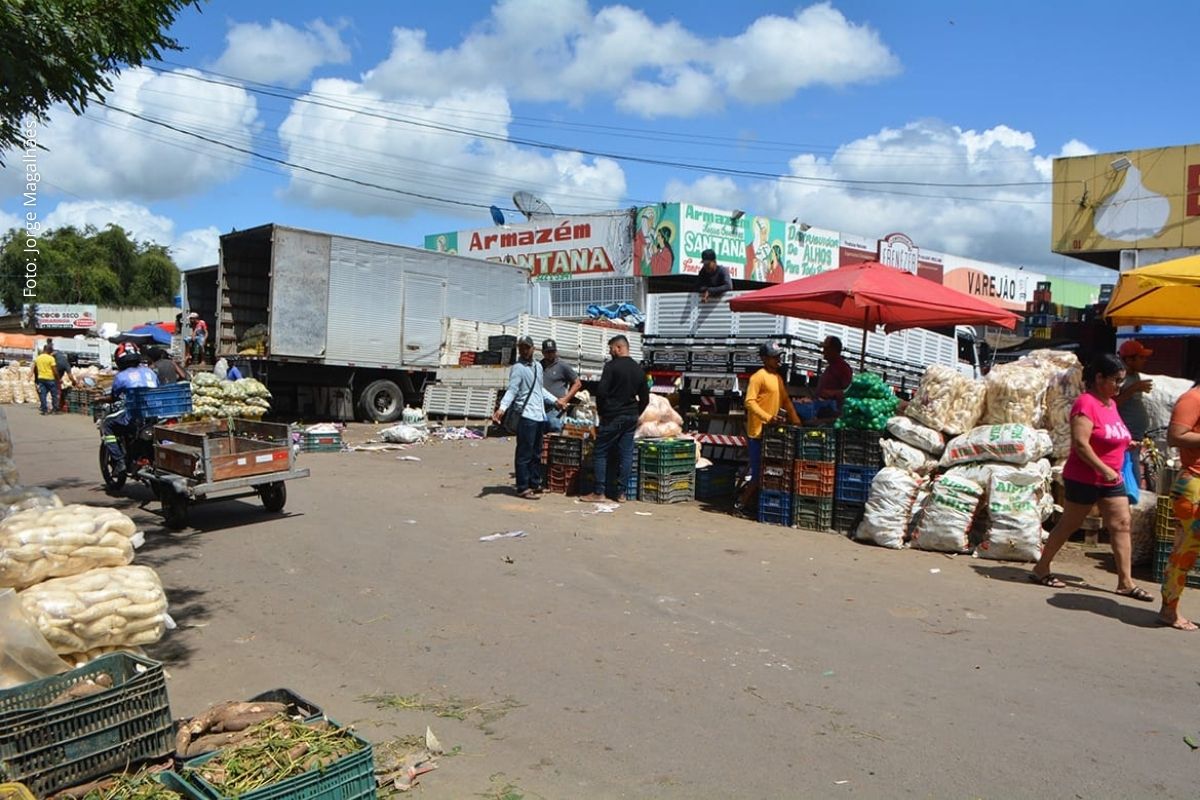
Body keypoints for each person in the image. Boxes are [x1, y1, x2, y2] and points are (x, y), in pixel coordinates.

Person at [1030, 353, 1151, 601]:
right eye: (1116, 380)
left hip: (1112, 478)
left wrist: (1127, 444)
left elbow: (1111, 434)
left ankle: (1125, 583)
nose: (1119, 386)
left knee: (1121, 525)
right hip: (1085, 477)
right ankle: (1041, 568)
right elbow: (1081, 445)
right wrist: (1104, 470)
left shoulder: (1111, 404)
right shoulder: (1085, 404)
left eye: (1122, 381)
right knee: (1069, 525)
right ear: (1099, 378)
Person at [735, 342, 802, 513]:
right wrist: (767, 418)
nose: (779, 359)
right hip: (757, 433)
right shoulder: (758, 377)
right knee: (759, 472)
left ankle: (755, 503)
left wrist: (796, 420)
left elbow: (786, 401)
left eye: (779, 356)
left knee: (770, 471)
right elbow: (749, 402)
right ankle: (741, 504)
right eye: (775, 356)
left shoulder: (778, 378)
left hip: (772, 433)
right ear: (765, 359)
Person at [581, 335, 649, 503]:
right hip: (631, 416)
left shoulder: (611, 367)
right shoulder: (638, 369)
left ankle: (599, 492)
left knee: (601, 452)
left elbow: (602, 392)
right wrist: (636, 413)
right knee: (626, 454)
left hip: (613, 416)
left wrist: (603, 413)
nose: (610, 351)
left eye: (611, 348)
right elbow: (645, 398)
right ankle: (621, 493)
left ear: (619, 348)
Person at [1158, 378, 1200, 630]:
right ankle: (1168, 610)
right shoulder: (1193, 398)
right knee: (1185, 551)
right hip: (1194, 484)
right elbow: (1175, 436)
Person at [492, 336, 556, 499]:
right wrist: (502, 408)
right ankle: (522, 487)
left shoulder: (537, 367)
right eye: (521, 348)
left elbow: (539, 389)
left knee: (536, 452)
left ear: (533, 349)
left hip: (539, 415)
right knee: (524, 453)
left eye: (527, 347)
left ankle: (534, 483)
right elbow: (512, 390)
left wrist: (556, 401)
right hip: (526, 415)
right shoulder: (518, 368)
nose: (524, 350)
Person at [99, 343, 159, 475]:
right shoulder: (150, 372)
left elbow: (114, 397)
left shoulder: (121, 376)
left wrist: (99, 399)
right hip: (155, 414)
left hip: (135, 415)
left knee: (107, 425)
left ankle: (120, 462)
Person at [1116, 339, 1154, 490]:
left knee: (1133, 465)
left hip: (1136, 436)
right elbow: (1113, 403)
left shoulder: (1135, 376)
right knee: (1128, 468)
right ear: (1129, 359)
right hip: (1126, 435)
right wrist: (1134, 388)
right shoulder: (1120, 377)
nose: (1144, 361)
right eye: (1141, 357)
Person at [540, 338, 582, 433]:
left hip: (555, 408)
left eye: (552, 351)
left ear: (556, 351)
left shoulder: (562, 366)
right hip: (540, 408)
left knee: (554, 429)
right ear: (543, 352)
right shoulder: (539, 366)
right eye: (548, 352)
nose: (550, 354)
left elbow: (577, 383)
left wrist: (565, 399)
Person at [814, 336, 853, 418]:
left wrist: (833, 393)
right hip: (822, 410)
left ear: (833, 349)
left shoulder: (843, 368)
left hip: (834, 413)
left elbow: (850, 391)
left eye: (826, 349)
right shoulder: (830, 367)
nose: (823, 351)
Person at [32, 343, 59, 415]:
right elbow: (54, 370)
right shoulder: (51, 358)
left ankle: (44, 410)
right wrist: (58, 378)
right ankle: (55, 409)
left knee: (43, 394)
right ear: (49, 350)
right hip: (50, 379)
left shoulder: (38, 358)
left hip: (41, 379)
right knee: (54, 394)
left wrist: (37, 378)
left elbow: (36, 370)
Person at [51, 342, 70, 412]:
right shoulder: (65, 363)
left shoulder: (56, 355)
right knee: (56, 393)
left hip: (48, 378)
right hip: (54, 379)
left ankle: (50, 406)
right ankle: (55, 407)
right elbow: (70, 375)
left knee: (51, 393)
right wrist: (74, 382)